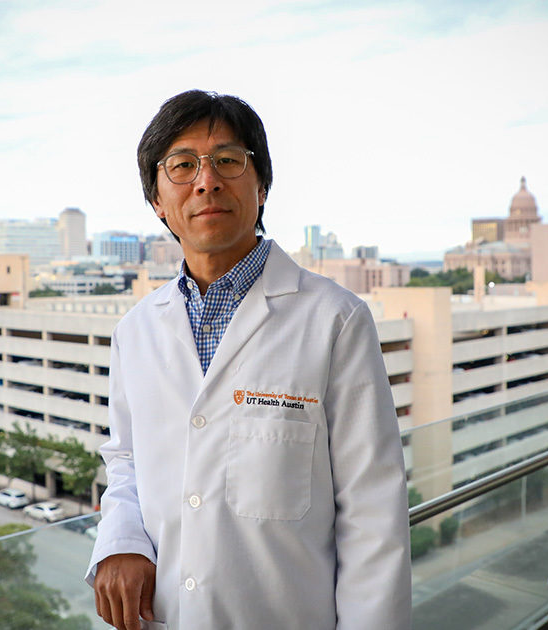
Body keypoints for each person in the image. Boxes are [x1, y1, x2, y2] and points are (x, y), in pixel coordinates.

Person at [86, 89, 411, 630]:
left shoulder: (335, 320)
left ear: (261, 187)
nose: (206, 180)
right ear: (158, 203)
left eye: (228, 161)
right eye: (182, 165)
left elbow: (373, 512)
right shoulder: (136, 331)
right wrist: (120, 541)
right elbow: (126, 460)